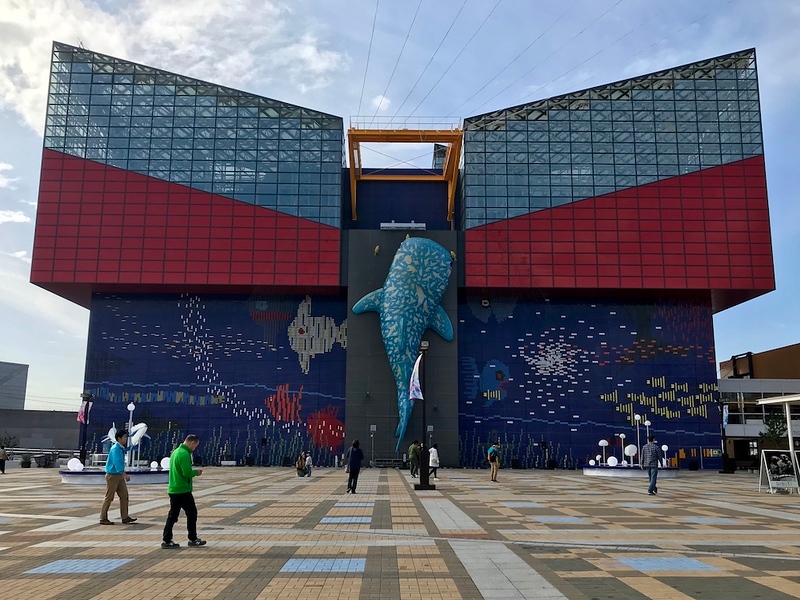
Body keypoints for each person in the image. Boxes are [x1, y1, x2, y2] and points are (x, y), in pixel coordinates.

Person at [162, 434, 206, 548]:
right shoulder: (184, 454)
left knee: (173, 515)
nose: (194, 448)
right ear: (191, 443)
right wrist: (196, 472)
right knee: (192, 513)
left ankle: (167, 539)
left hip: (174, 488)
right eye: (195, 446)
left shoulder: (176, 452)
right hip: (182, 489)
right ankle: (192, 538)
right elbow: (186, 472)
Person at [99, 429, 136, 525]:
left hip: (118, 476)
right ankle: (103, 518)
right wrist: (124, 474)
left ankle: (125, 517)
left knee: (124, 496)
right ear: (119, 438)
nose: (126, 439)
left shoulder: (120, 448)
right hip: (113, 476)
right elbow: (117, 463)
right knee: (109, 497)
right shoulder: (115, 449)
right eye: (124, 437)